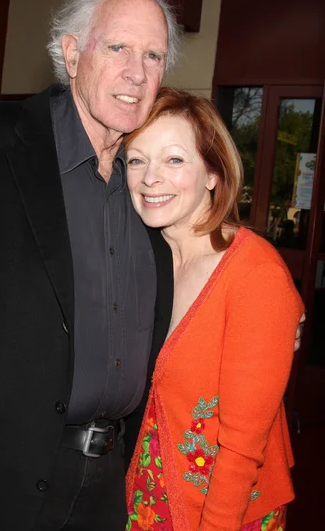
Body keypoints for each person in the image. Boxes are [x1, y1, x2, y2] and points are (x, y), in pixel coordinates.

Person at [0, 0, 180, 531]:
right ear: (71, 52)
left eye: (154, 56)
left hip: (109, 486)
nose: (136, 73)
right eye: (117, 47)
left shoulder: (154, 187)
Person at [124, 87, 304, 531]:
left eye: (173, 159)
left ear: (212, 173)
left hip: (223, 507)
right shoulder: (140, 259)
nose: (150, 178)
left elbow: (243, 447)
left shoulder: (255, 274)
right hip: (145, 492)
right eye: (136, 159)